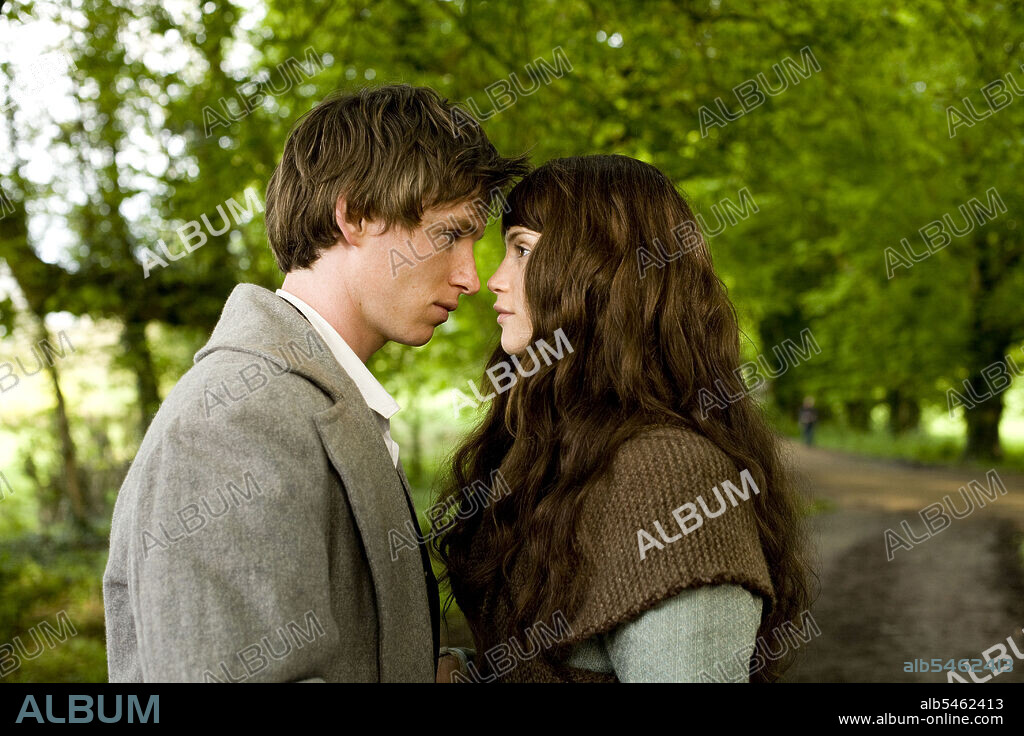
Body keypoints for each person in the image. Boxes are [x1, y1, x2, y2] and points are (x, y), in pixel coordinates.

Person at [102, 84, 528, 682]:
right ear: (354, 216)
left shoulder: (308, 398)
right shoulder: (233, 420)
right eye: (451, 234)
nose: (472, 278)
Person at [433, 155, 813, 683]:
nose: (492, 280)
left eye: (521, 250)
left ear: (599, 272)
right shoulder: (560, 455)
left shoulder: (672, 475)